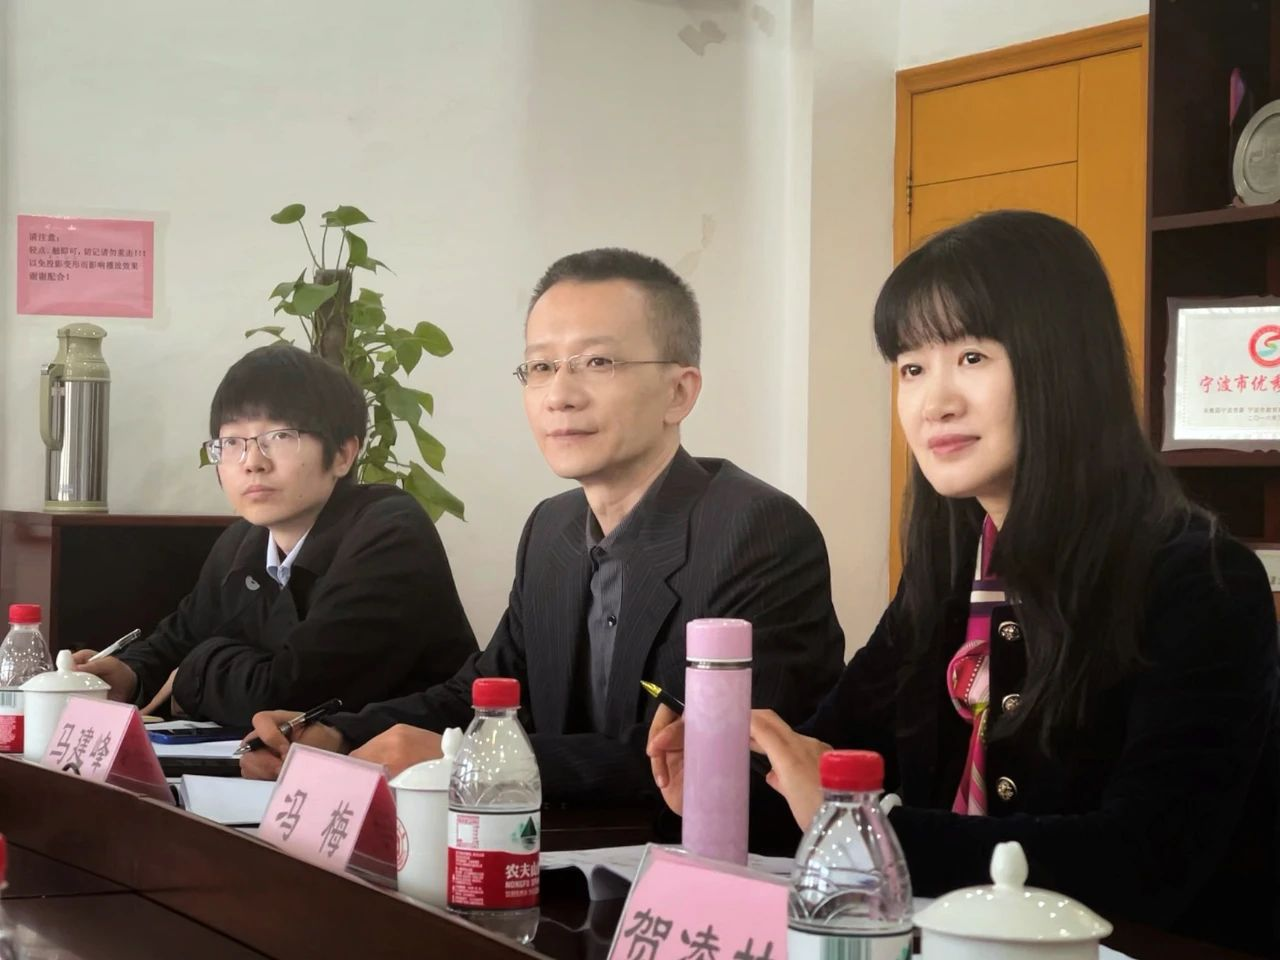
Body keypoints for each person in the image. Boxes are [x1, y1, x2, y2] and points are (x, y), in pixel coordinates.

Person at [648, 211, 1280, 954]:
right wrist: (720, 793)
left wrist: (867, 826)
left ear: (1064, 364)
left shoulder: (1201, 579)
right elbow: (830, 762)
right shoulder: (951, 571)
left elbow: (1144, 863)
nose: (934, 402)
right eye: (912, 368)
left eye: (972, 357)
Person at [242, 248, 845, 805]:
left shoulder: (756, 533)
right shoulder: (552, 529)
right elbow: (484, 692)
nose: (559, 394)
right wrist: (336, 734)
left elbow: (719, 762)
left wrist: (468, 763)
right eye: (540, 366)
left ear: (678, 393)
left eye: (597, 362)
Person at [74, 343, 478, 727]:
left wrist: (195, 672)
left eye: (280, 437)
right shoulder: (243, 540)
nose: (252, 462)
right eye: (232, 442)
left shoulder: (390, 533)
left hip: (409, 768)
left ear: (342, 454)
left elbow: (294, 694)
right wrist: (130, 673)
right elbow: (180, 638)